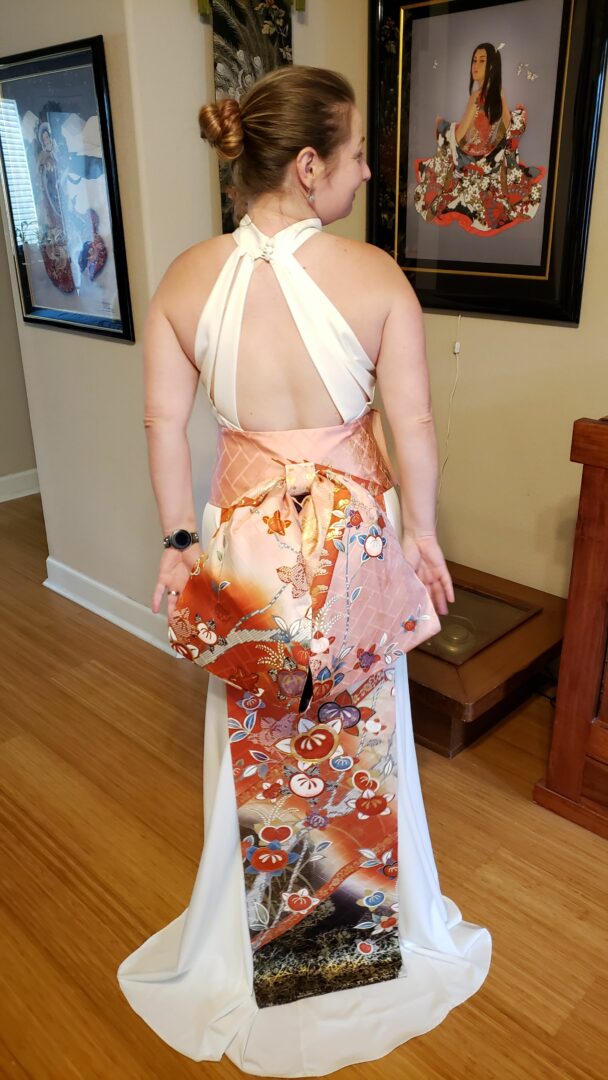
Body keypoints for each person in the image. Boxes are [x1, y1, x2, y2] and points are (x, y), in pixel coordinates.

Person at [117, 65, 491, 1075]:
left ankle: (264, 937)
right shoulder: (373, 276)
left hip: (244, 542)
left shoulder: (185, 278)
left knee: (255, 731)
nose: (368, 172)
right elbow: (413, 423)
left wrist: (177, 542)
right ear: (310, 165)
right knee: (358, 736)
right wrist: (422, 532)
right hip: (350, 543)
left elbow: (161, 421)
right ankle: (356, 930)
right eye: (359, 153)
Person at [414, 42, 545, 234]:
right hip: (480, 152)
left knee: (446, 132)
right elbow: (499, 129)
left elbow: (463, 136)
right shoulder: (488, 94)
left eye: (482, 61)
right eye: (474, 60)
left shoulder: (483, 95)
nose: (475, 66)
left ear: (492, 66)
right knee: (448, 134)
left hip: (478, 153)